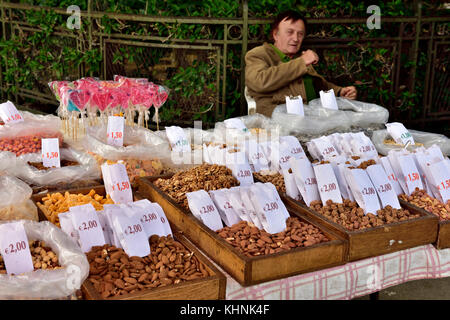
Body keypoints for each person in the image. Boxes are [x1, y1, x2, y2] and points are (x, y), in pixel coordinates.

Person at [245, 10, 357, 117]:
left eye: (300, 34)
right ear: (275, 34)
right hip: (279, 123)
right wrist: (302, 62)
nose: (295, 38)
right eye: (290, 32)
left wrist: (339, 92)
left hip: (313, 119)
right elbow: (259, 82)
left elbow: (318, 85)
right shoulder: (259, 54)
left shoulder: (300, 56)